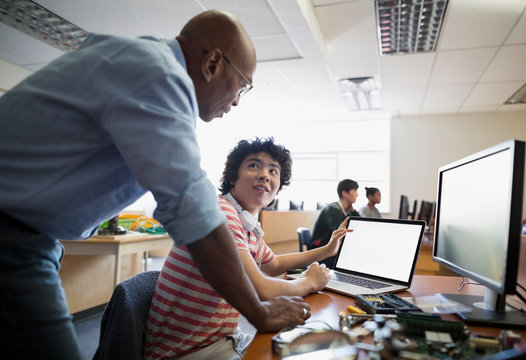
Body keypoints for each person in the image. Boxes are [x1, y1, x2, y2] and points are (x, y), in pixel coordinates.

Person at [0, 10, 308, 360]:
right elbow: (193, 211)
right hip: (12, 234)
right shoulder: (158, 77)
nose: (237, 100)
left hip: (30, 234)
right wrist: (259, 312)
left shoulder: (143, 63)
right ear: (212, 63)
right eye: (242, 85)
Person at [145, 138, 351, 359]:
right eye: (254, 165)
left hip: (218, 337)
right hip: (188, 351)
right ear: (233, 176)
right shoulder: (222, 214)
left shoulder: (246, 223)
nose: (265, 174)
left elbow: (274, 264)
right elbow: (262, 288)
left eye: (274, 171)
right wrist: (309, 282)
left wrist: (327, 250)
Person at [310, 179, 360, 267]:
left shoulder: (346, 210)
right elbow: (341, 232)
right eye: (355, 191)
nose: (357, 194)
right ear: (345, 193)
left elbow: (360, 225)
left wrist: (352, 209)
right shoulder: (333, 209)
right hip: (320, 250)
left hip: (330, 248)